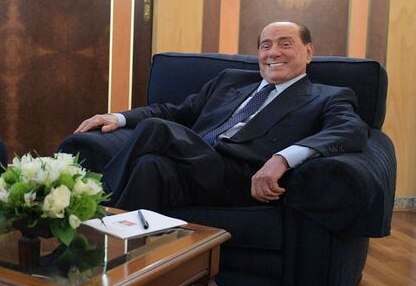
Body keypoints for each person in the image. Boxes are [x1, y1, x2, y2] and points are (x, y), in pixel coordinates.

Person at [74, 21, 368, 211]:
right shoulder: (230, 81)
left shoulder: (328, 96)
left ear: (308, 52)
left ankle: (87, 200)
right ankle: (120, 260)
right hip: (194, 163)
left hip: (240, 175)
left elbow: (351, 131)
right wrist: (118, 118)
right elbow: (176, 111)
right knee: (149, 165)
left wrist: (283, 158)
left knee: (156, 128)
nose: (273, 52)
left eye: (285, 44)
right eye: (265, 45)